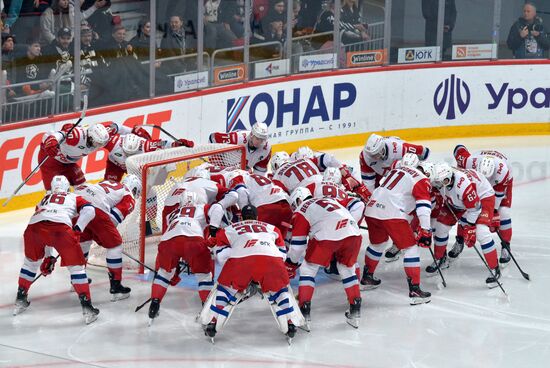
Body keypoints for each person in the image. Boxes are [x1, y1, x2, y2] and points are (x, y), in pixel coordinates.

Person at [201, 205, 302, 343]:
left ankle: (213, 323)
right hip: (271, 260)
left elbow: (221, 255)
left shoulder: (229, 229)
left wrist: (238, 267)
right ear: (257, 217)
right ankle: (290, 324)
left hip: (240, 262)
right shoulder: (272, 228)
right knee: (280, 291)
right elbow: (282, 255)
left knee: (225, 290)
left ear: (241, 217)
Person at [14, 175, 99, 324]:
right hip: (60, 229)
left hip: (33, 229)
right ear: (68, 187)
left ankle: (20, 298)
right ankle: (87, 307)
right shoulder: (73, 196)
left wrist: (49, 256)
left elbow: (44, 225)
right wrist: (78, 228)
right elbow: (90, 210)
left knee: (29, 264)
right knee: (77, 269)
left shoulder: (43, 200)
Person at [285, 188, 362, 329]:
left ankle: (304, 311)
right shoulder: (329, 199)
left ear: (298, 199)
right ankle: (355, 309)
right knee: (347, 269)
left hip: (327, 236)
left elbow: (297, 246)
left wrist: (290, 264)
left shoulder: (302, 209)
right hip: (354, 232)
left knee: (308, 269)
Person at [361, 163, 436, 305]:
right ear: (427, 173)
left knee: (378, 244)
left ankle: (366, 278)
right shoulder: (421, 179)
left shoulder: (397, 169)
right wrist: (426, 230)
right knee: (411, 248)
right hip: (392, 213)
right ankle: (415, 290)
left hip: (371, 209)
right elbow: (423, 207)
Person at [148, 191, 216, 325]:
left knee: (164, 273)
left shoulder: (172, 214)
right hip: (194, 239)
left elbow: (174, 235)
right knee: (204, 276)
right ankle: (206, 312)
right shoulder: (203, 207)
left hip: (168, 241)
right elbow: (217, 210)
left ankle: (155, 302)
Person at [430, 163, 501, 288]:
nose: (438, 185)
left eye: (441, 182)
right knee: (441, 227)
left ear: (448, 179)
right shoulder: (439, 178)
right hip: (458, 201)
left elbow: (475, 209)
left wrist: (469, 227)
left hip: (482, 198)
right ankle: (441, 258)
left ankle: (494, 268)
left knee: (481, 232)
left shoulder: (463, 185)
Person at [74, 176, 141, 301]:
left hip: (76, 204)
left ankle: (77, 279)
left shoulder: (107, 183)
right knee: (115, 245)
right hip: (95, 208)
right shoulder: (128, 195)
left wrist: (95, 233)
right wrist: (101, 237)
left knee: (83, 242)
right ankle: (116, 286)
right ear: (135, 188)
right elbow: (113, 219)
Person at [453, 145, 513, 265]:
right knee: (466, 209)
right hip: (475, 183)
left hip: (500, 185)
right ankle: (460, 240)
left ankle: (506, 246)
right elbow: (458, 149)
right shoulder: (469, 162)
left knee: (504, 212)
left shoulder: (503, 172)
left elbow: (497, 197)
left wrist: (494, 213)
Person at [39, 121, 142, 190]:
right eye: (97, 143)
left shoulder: (102, 135)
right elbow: (56, 135)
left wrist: (134, 131)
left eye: (101, 143)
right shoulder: (77, 135)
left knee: (82, 188)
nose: (99, 146)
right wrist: (51, 141)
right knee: (53, 192)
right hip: (51, 160)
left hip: (69, 163)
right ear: (90, 137)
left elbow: (117, 127)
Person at [225, 169, 292, 239]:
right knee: (280, 241)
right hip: (286, 207)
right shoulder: (262, 177)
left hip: (266, 208)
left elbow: (242, 193)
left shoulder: (237, 178)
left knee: (257, 240)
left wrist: (245, 214)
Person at [104, 132, 194, 182]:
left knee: (146, 194)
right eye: (126, 153)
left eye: (131, 154)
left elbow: (163, 144)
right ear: (121, 145)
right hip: (115, 165)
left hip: (135, 172)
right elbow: (96, 139)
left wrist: (177, 143)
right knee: (109, 186)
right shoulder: (113, 142)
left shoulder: (145, 145)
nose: (128, 156)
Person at [359, 133, 431, 193]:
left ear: (382, 149)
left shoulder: (402, 148)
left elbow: (425, 152)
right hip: (381, 172)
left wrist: (419, 169)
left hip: (401, 171)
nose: (372, 157)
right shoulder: (365, 156)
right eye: (371, 155)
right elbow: (368, 182)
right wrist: (370, 197)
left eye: (375, 154)